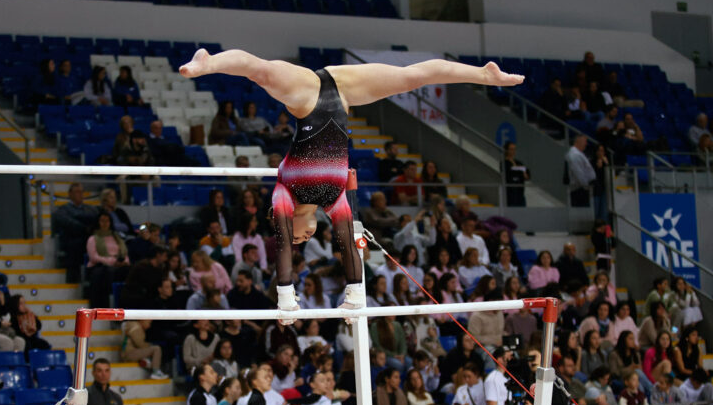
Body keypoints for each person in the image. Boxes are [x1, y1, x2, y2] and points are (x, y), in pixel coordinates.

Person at [180, 48, 522, 320]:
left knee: (261, 71)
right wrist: (355, 298)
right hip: (343, 92)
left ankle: (209, 62)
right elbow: (347, 245)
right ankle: (484, 74)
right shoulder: (335, 199)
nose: (301, 237)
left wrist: (286, 299)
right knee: (410, 78)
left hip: (306, 99)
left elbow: (283, 245)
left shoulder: (284, 195)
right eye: (307, 238)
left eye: (299, 235)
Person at [52, 183, 99, 283]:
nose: (80, 194)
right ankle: (75, 279)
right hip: (72, 239)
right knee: (76, 246)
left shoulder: (91, 209)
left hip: (90, 238)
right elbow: (67, 223)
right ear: (70, 194)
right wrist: (84, 227)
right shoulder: (63, 209)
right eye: (77, 192)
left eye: (81, 192)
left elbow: (97, 220)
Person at [86, 211, 130, 309]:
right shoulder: (93, 239)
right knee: (107, 272)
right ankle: (105, 305)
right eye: (102, 221)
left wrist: (124, 261)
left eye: (107, 221)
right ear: (98, 222)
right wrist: (112, 261)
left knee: (129, 271)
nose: (105, 223)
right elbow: (94, 257)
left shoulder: (117, 238)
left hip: (119, 266)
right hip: (100, 266)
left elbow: (124, 253)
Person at [565, 134, 595, 208]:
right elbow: (578, 173)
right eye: (585, 141)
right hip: (579, 189)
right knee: (581, 210)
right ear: (578, 141)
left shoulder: (579, 154)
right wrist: (585, 185)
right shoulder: (574, 155)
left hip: (583, 188)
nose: (586, 144)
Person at [502, 142, 530, 207]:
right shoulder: (504, 163)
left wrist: (522, 173)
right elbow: (509, 174)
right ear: (507, 150)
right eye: (511, 149)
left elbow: (526, 174)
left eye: (514, 149)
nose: (513, 151)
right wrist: (520, 172)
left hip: (520, 193)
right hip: (510, 193)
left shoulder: (519, 162)